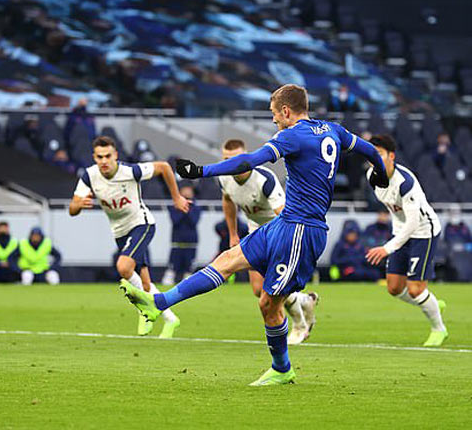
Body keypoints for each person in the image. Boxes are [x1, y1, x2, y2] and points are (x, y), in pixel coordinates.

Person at [120, 84, 388, 386]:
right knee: (227, 259)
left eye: (274, 114)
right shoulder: (332, 130)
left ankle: (283, 367)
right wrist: (380, 171)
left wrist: (201, 171)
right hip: (285, 223)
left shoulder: (290, 135)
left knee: (267, 304)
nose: (274, 120)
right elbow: (367, 149)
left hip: (302, 229)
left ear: (286, 111)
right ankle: (159, 304)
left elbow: (248, 162)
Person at [70, 136, 191, 339]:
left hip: (142, 225)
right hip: (119, 232)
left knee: (123, 267)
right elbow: (72, 208)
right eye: (99, 157)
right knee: (144, 284)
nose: (104, 161)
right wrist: (78, 205)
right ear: (94, 157)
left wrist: (176, 197)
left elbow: (164, 167)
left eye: (108, 156)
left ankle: (144, 309)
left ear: (115, 155)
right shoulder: (89, 176)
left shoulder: (130, 171)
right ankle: (170, 319)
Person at [217, 138, 318, 345]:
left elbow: (284, 213)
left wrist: (291, 240)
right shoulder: (224, 178)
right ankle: (304, 301)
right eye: (226, 159)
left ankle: (300, 326)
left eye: (235, 159)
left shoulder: (264, 179)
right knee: (258, 289)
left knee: (273, 289)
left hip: (278, 230)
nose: (231, 164)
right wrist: (233, 234)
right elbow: (227, 200)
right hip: (256, 231)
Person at [365, 135, 447, 347]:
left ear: (391, 156)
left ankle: (439, 329)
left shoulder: (405, 183)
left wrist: (387, 248)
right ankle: (431, 303)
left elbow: (413, 222)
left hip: (423, 232)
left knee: (415, 289)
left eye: (379, 154)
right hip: (401, 232)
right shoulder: (371, 176)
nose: (374, 159)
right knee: (393, 287)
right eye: (372, 154)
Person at [161, 184, 201, 286]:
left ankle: (187, 285)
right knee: (172, 267)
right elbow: (175, 221)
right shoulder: (174, 206)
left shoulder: (196, 208)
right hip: (177, 242)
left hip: (191, 242)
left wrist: (186, 208)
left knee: (189, 269)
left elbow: (193, 221)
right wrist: (181, 207)